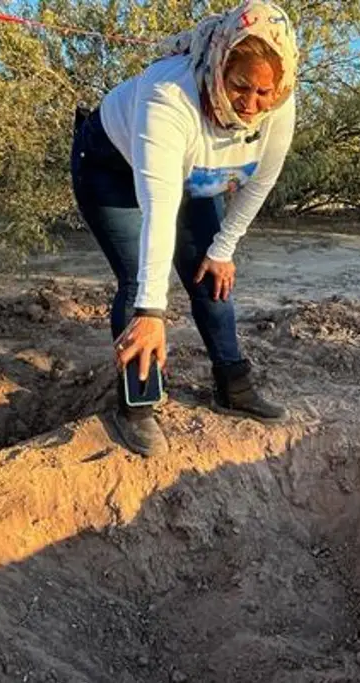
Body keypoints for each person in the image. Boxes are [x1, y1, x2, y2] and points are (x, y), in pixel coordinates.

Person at [69, 0, 298, 456]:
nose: (251, 105)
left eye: (263, 93)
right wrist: (153, 313)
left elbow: (262, 181)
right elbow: (159, 207)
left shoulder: (280, 104)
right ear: (220, 64)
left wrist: (223, 247)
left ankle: (233, 385)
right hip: (110, 167)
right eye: (240, 87)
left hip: (196, 174)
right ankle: (137, 405)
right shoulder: (168, 95)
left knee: (209, 275)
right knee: (138, 283)